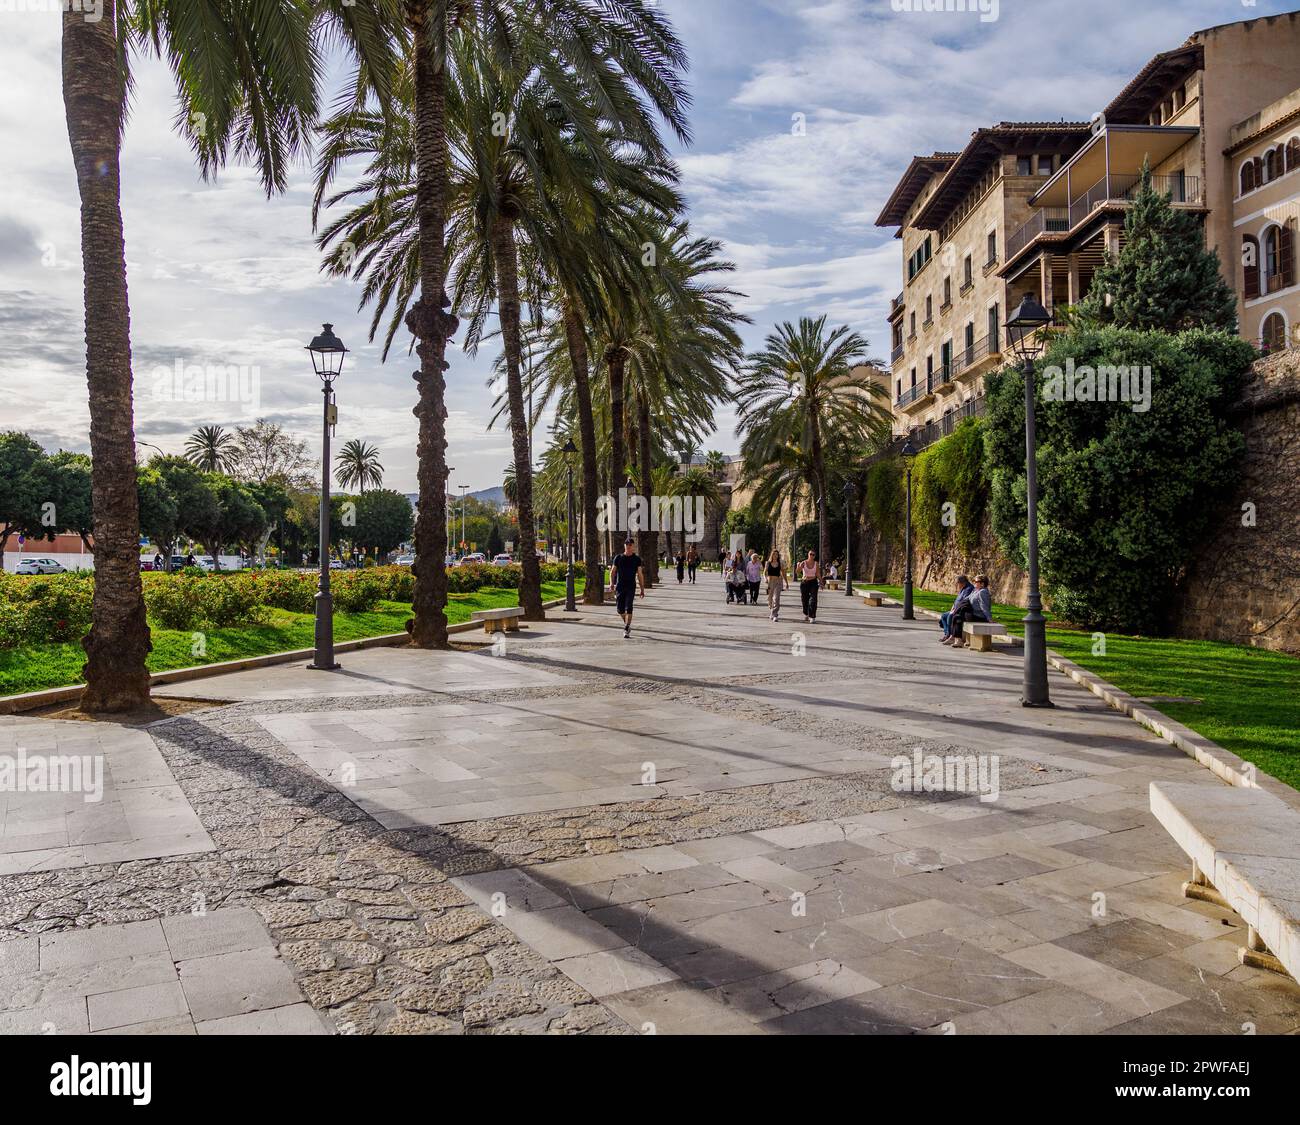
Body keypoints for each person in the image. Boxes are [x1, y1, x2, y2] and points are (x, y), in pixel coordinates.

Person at [608, 538, 645, 638]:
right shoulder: (618, 558)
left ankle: (627, 627)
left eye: (630, 545)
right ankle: (627, 623)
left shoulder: (637, 559)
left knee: (629, 606)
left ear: (633, 546)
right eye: (626, 544)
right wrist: (611, 583)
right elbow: (612, 572)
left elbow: (640, 574)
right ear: (624, 546)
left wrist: (642, 589)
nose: (628, 546)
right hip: (620, 586)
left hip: (630, 586)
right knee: (620, 610)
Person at [948, 574, 992, 648]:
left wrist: (989, 619)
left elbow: (984, 606)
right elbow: (966, 599)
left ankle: (957, 640)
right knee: (957, 616)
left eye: (976, 581)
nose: (974, 582)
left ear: (982, 583)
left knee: (958, 616)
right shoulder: (975, 591)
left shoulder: (983, 592)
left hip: (979, 616)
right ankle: (957, 640)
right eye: (974, 581)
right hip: (972, 614)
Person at [939, 575, 974, 641]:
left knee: (950, 616)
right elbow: (957, 600)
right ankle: (947, 634)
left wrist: (955, 610)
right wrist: (952, 608)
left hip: (961, 610)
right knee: (944, 616)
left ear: (962, 582)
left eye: (957, 583)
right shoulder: (963, 588)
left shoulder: (969, 589)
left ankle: (949, 635)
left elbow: (964, 602)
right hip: (955, 609)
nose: (957, 585)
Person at [765, 549, 789, 622]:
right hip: (770, 582)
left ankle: (775, 614)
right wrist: (765, 579)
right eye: (774, 554)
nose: (775, 556)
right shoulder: (768, 563)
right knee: (770, 599)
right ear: (772, 555)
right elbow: (764, 572)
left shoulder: (780, 563)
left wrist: (786, 583)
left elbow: (784, 573)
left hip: (778, 581)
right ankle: (772, 611)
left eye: (777, 554)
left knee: (776, 598)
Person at [797, 551, 820, 623]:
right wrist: (799, 566)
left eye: (813, 554)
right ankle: (806, 613)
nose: (811, 556)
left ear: (814, 556)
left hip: (813, 582)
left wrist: (821, 582)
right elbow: (797, 572)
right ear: (808, 555)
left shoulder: (816, 564)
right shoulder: (803, 563)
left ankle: (812, 616)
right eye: (810, 554)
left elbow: (818, 574)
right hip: (804, 582)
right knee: (804, 599)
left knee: (813, 600)